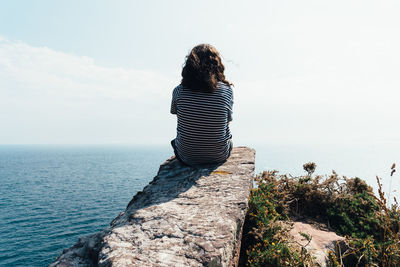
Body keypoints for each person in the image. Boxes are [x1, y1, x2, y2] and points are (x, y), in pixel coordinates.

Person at [170, 44, 234, 166]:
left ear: (189, 66)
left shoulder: (178, 91)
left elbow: (181, 118)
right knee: (229, 140)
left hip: (186, 157)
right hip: (219, 155)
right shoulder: (227, 90)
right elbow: (226, 122)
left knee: (175, 142)